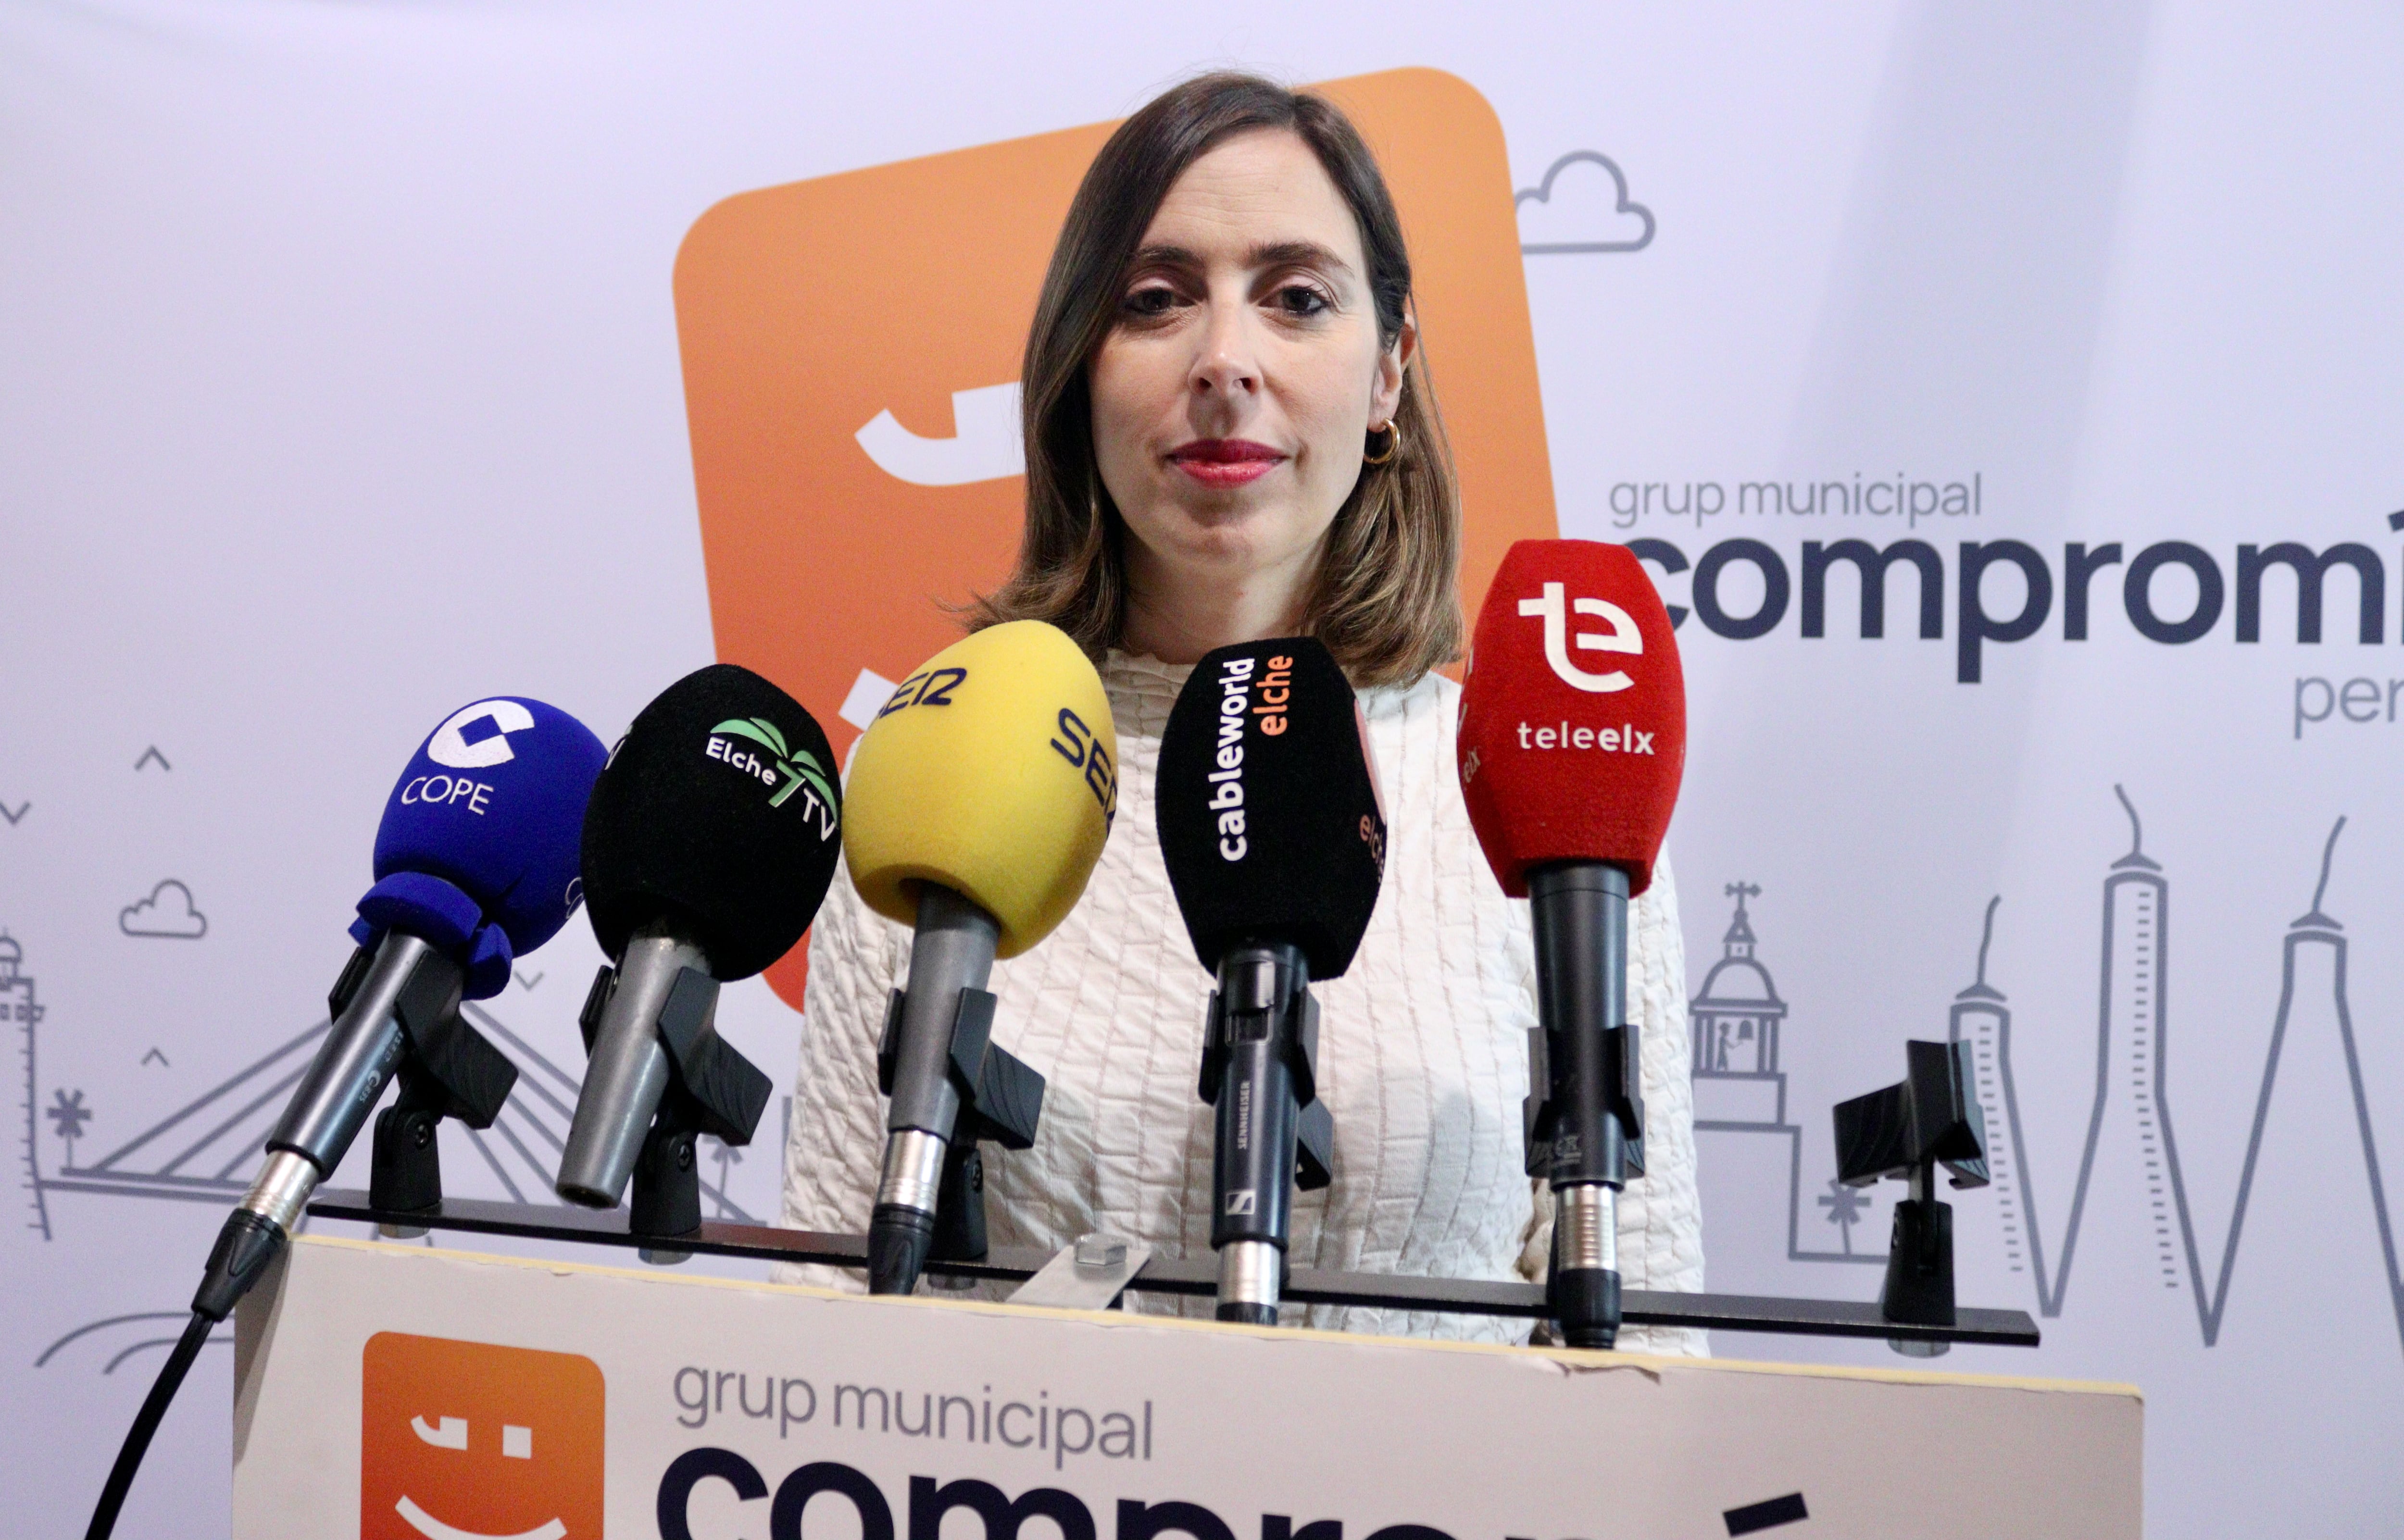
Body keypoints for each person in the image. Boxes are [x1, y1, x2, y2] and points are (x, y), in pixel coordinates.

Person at [779, 71, 1703, 1349]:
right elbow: (824, 1327)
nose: (1224, 361)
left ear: (1389, 371)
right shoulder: (937, 771)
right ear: (1078, 367)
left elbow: (1645, 1353)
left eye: (1297, 299)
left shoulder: (1544, 798)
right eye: (1156, 300)